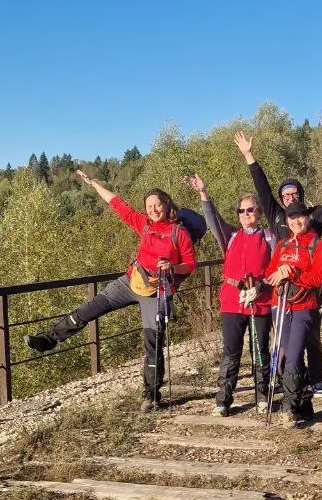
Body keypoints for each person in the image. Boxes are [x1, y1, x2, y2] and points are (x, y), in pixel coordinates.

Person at [24, 171, 196, 410]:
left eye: (158, 204)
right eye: (149, 206)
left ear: (167, 205)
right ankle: (48, 340)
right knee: (88, 309)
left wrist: (172, 266)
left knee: (153, 342)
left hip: (157, 292)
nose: (154, 209)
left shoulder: (179, 233)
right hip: (130, 281)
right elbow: (117, 204)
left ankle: (151, 395)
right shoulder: (144, 224)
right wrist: (94, 183)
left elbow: (190, 263)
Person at [233, 130, 322, 398]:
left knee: (311, 333)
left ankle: (317, 379)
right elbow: (262, 187)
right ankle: (290, 380)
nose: (289, 198)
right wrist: (249, 156)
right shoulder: (276, 215)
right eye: (285, 194)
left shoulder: (312, 216)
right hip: (283, 285)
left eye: (294, 193)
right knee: (286, 336)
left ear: (300, 194)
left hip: (309, 281)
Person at [184, 173, 274, 416]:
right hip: (233, 301)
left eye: (250, 210)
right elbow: (212, 220)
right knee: (231, 350)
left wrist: (262, 286)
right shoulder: (231, 236)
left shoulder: (269, 237)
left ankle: (263, 395)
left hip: (261, 300)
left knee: (260, 350)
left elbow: (277, 268)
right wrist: (204, 193)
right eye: (241, 211)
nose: (246, 214)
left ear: (259, 212)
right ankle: (223, 399)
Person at [263, 200, 322, 427]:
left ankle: (288, 407)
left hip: (303, 307)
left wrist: (291, 272)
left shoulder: (316, 245)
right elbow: (270, 272)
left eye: (300, 217)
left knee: (292, 357)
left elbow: (318, 278)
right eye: (291, 218)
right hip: (280, 305)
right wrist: (279, 272)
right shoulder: (282, 244)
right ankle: (305, 405)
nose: (296, 221)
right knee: (283, 358)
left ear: (307, 218)